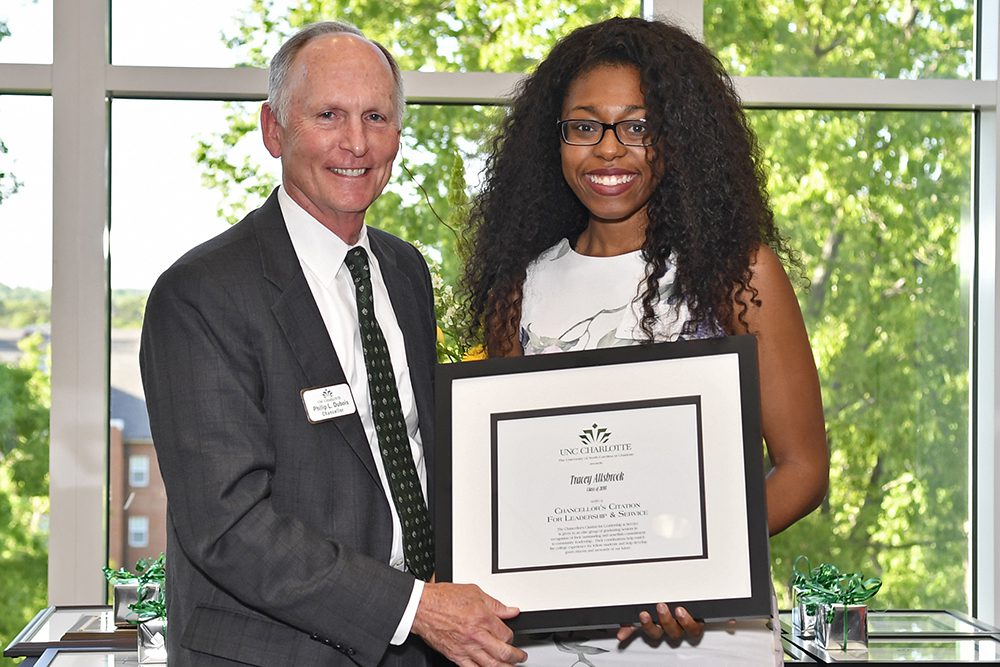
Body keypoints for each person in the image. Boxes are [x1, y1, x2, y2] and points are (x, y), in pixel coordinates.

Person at [141, 21, 527, 667]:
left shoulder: (405, 271)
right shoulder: (200, 294)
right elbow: (229, 526)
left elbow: (417, 459)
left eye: (376, 116)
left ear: (398, 136)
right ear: (274, 130)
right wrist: (414, 607)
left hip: (423, 648)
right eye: (329, 115)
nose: (356, 142)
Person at [462, 16, 829, 664]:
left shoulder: (739, 273)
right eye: (584, 125)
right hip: (556, 641)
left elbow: (803, 468)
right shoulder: (516, 288)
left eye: (638, 126)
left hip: (707, 634)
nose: (609, 149)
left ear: (679, 137)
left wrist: (699, 568)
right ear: (554, 139)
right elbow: (515, 486)